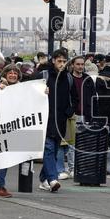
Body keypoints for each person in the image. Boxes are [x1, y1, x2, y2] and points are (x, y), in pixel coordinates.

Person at [38, 49, 77, 192]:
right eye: (59, 61)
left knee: (53, 151)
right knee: (49, 148)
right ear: (53, 60)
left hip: (60, 120)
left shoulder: (68, 78)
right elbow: (32, 92)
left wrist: (69, 112)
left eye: (64, 61)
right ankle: (52, 179)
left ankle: (43, 179)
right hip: (45, 119)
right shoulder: (44, 75)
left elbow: (75, 98)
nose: (61, 64)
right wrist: (41, 92)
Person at [0, 63, 22, 197]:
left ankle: (0, 184)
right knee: (4, 156)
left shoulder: (22, 88)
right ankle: (0, 185)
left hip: (15, 126)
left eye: (15, 73)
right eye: (10, 73)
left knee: (8, 156)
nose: (13, 75)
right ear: (5, 74)